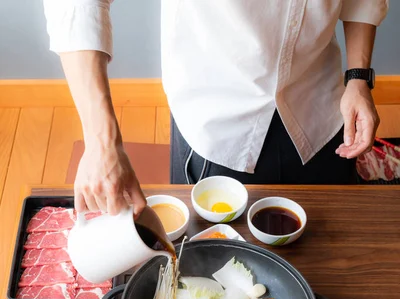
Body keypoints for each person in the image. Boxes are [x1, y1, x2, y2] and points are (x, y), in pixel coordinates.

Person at [43, 1, 388, 215]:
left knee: (336, 259)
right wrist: (101, 144)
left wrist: (358, 77)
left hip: (322, 106)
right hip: (219, 122)